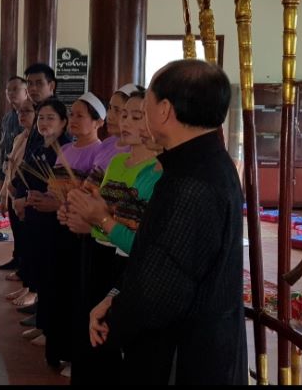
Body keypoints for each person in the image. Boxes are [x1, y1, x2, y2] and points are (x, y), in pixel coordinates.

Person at [88, 59, 247, 385]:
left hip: (185, 352)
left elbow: (162, 287)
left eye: (145, 102)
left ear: (163, 110)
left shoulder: (191, 182)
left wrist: (116, 316)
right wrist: (116, 296)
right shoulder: (204, 162)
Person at [59, 88, 163, 384]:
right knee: (91, 325)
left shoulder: (155, 172)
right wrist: (78, 213)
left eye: (135, 116)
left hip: (122, 259)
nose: (124, 122)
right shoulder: (117, 162)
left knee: (112, 342)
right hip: (101, 253)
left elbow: (126, 227)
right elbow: (101, 210)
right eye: (122, 114)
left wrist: (95, 221)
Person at [18, 99, 76, 370]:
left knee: (54, 279)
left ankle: (51, 331)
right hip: (36, 218)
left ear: (64, 122)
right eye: (41, 117)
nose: (44, 123)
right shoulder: (39, 146)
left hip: (56, 223)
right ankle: (43, 325)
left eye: (50, 118)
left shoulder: (65, 149)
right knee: (41, 273)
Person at [1, 100, 37, 305]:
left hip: (26, 194)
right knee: (19, 234)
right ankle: (24, 276)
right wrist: (4, 194)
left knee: (29, 240)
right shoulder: (19, 138)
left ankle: (31, 286)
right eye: (19, 112)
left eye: (27, 111)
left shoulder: (36, 139)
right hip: (14, 191)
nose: (22, 115)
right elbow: (10, 167)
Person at [0, 76, 31, 271]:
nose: (10, 93)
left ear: (26, 92)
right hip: (9, 174)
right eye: (8, 90)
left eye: (15, 89)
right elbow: (4, 149)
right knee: (14, 222)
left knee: (23, 224)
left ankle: (24, 263)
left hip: (23, 179)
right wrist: (1, 177)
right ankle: (17, 257)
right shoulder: (8, 118)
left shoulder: (33, 119)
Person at [93, 83, 140, 173]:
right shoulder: (106, 143)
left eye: (117, 110)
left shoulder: (136, 150)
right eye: (109, 108)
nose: (109, 116)